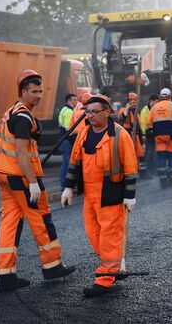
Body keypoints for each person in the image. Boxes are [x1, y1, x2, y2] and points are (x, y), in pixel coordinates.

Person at [0, 69, 75, 292]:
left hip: (5, 176)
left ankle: (5, 276)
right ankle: (52, 265)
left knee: (10, 223)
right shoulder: (23, 117)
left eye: (41, 91)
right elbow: (21, 152)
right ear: (23, 92)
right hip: (22, 178)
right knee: (41, 219)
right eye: (34, 91)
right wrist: (33, 182)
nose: (39, 95)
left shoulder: (12, 112)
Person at [61, 94, 138, 296]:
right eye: (88, 112)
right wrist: (68, 187)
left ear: (107, 112)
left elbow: (130, 167)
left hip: (111, 193)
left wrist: (130, 195)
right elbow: (74, 161)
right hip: (90, 194)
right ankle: (112, 266)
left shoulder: (120, 135)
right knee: (93, 233)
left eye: (95, 112)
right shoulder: (84, 132)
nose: (90, 116)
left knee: (109, 236)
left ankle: (105, 278)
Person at [147, 88, 172, 188]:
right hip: (171, 137)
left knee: (161, 159)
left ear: (160, 97)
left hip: (159, 138)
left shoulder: (154, 108)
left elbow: (149, 124)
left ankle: (163, 182)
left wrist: (154, 133)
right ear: (169, 96)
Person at [118, 92, 148, 178]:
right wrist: (127, 108)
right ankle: (133, 173)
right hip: (128, 136)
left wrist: (142, 137)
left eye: (136, 102)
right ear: (128, 101)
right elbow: (121, 119)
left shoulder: (135, 112)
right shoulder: (123, 110)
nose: (135, 104)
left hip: (136, 137)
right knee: (130, 156)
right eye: (133, 102)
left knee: (141, 155)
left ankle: (143, 174)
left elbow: (138, 126)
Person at [58, 93, 78, 189]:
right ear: (69, 101)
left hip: (62, 139)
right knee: (67, 164)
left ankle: (64, 185)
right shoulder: (69, 111)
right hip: (67, 140)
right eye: (74, 100)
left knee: (64, 163)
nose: (76, 102)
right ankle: (65, 186)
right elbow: (69, 129)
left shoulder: (63, 110)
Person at [140, 94, 160, 175]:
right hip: (147, 135)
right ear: (151, 101)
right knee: (148, 153)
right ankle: (148, 170)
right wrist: (144, 135)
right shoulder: (145, 110)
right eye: (156, 102)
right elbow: (143, 124)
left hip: (153, 135)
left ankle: (153, 169)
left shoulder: (154, 109)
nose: (157, 104)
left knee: (154, 153)